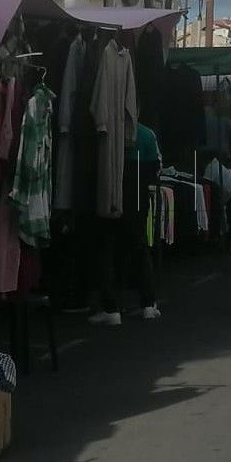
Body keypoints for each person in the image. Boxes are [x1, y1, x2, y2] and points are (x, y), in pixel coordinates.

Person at [90, 123, 161, 325]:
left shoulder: (107, 131)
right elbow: (156, 168)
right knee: (139, 246)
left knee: (108, 248)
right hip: (137, 195)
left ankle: (112, 308)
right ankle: (148, 304)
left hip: (111, 192)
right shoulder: (147, 134)